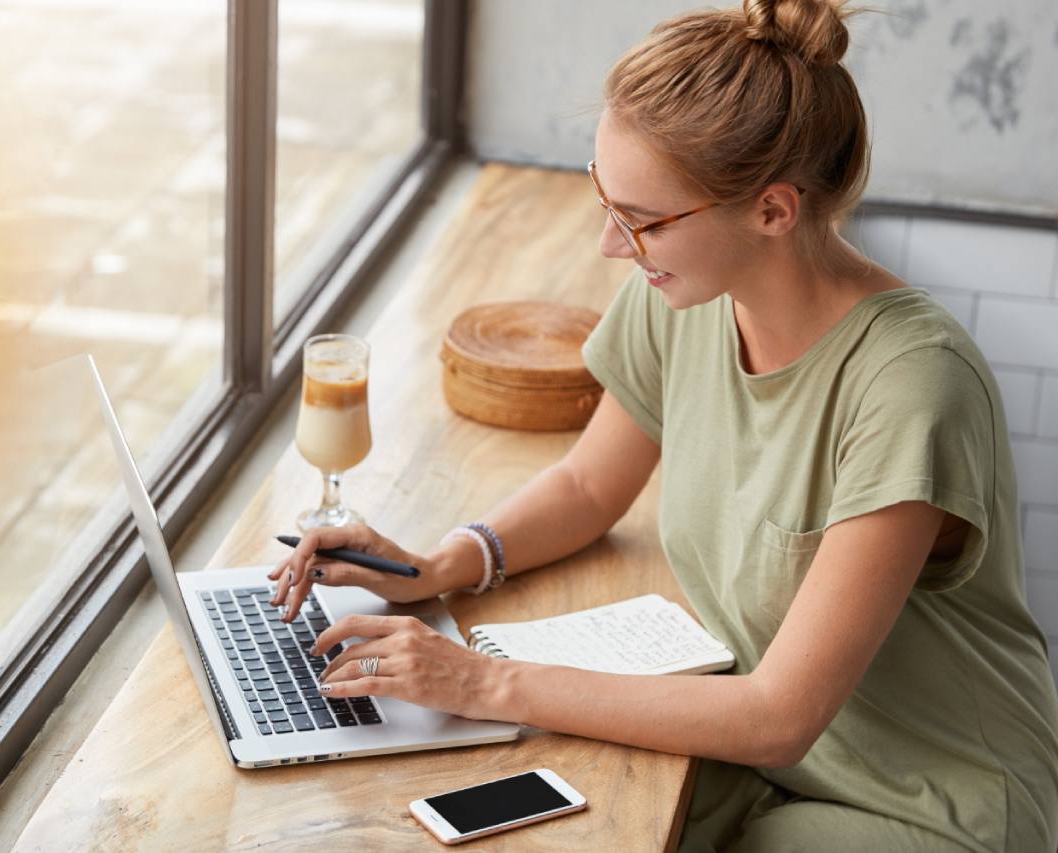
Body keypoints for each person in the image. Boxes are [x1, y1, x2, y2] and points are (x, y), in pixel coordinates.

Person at [268, 0, 1058, 848]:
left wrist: (485, 681)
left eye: (641, 219)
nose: (613, 244)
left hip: (930, 802)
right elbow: (587, 483)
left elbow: (776, 715)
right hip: (765, 761)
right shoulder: (688, 292)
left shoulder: (911, 384)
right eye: (606, 195)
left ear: (773, 211)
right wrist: (436, 565)